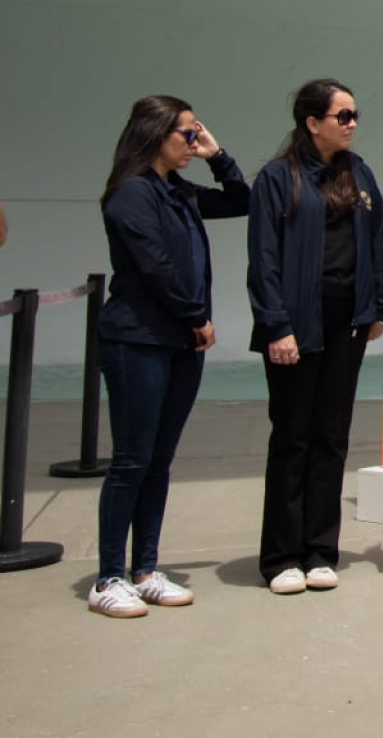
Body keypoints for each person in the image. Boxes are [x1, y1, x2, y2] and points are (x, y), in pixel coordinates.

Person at [90, 96, 249, 618]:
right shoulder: (132, 194)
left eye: (195, 133)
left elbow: (240, 199)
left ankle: (145, 568)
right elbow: (155, 266)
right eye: (186, 134)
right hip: (139, 339)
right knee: (131, 459)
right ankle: (109, 574)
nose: (192, 141)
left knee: (159, 459)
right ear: (156, 134)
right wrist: (195, 316)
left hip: (180, 342)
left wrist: (217, 154)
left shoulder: (177, 191)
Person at [247, 79, 383, 595]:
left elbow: (376, 243)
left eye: (356, 115)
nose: (352, 124)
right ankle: (281, 557)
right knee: (293, 438)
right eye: (342, 116)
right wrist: (276, 325)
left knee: (331, 437)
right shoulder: (276, 178)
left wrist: (381, 305)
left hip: (346, 323)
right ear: (312, 123)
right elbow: (263, 260)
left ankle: (319, 551)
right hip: (296, 323)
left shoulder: (359, 174)